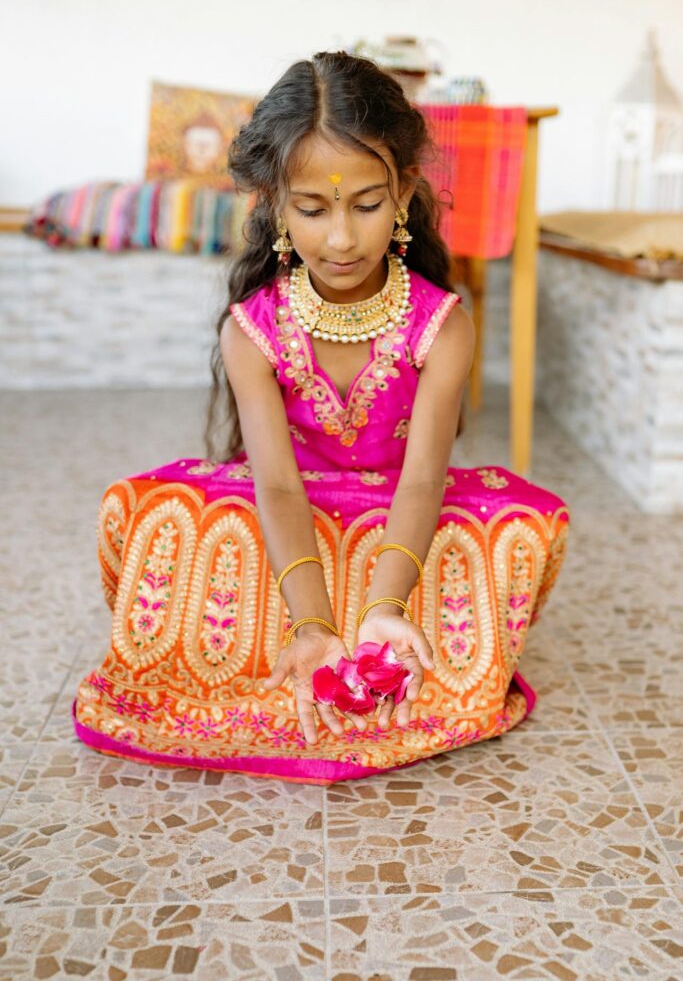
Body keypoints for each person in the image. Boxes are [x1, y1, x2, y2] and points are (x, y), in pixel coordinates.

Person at [72, 51, 570, 785]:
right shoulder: (250, 331)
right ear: (273, 203)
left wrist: (384, 604)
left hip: (398, 510)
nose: (341, 239)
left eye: (364, 204)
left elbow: (422, 479)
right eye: (312, 208)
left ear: (403, 191)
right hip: (287, 509)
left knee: (515, 530)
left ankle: (376, 638)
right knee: (155, 515)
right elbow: (274, 488)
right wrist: (311, 624)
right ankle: (310, 655)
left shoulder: (442, 325)